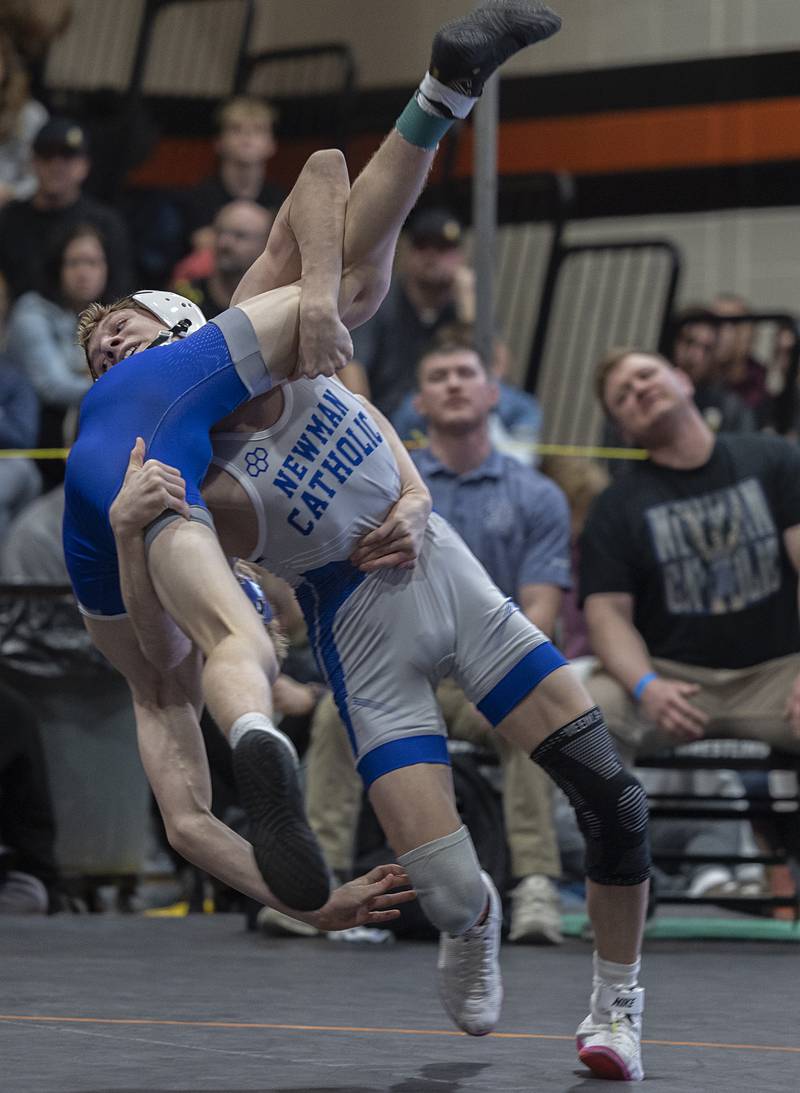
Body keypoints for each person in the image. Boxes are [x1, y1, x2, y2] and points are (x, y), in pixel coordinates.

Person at [98, 10, 652, 1083]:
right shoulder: (175, 470)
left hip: (441, 567)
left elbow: (317, 170)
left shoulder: (258, 319)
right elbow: (164, 634)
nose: (112, 351)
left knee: (611, 795)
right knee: (444, 886)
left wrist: (316, 313)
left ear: (180, 325)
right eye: (98, 357)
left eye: (126, 331)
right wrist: (132, 538)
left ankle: (615, 1001)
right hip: (361, 629)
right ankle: (471, 919)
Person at [301, 324, 570, 945]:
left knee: (533, 714)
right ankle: (322, 886)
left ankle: (536, 884)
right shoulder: (384, 486)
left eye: (465, 374)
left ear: (493, 393)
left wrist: (494, 679)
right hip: (400, 670)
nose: (453, 385)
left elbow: (540, 609)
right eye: (438, 377)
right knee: (332, 717)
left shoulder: (537, 495)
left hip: (487, 670)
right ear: (418, 403)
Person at [581, 347, 800, 770]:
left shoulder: (773, 458)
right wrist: (646, 686)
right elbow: (607, 616)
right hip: (670, 681)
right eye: (623, 395)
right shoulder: (613, 507)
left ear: (683, 381)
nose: (638, 389)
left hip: (776, 676)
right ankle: (613, 820)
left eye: (646, 375)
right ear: (622, 429)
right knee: (585, 714)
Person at [340, 206, 476, 416]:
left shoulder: (465, 305)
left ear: (461, 257)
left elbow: (494, 375)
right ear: (406, 252)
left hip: (447, 418)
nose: (431, 255)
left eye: (443, 247)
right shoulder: (379, 300)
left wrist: (469, 307)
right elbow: (351, 365)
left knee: (520, 410)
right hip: (390, 417)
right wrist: (367, 422)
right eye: (422, 245)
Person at [6, 222, 106, 487]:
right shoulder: (30, 313)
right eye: (74, 263)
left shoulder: (104, 314)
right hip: (31, 445)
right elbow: (52, 386)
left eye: (92, 263)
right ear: (57, 267)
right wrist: (112, 384)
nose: (84, 272)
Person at [0, 117, 135, 301]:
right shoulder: (10, 218)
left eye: (67, 156)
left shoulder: (105, 223)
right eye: (47, 155)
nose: (56, 165)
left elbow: (121, 290)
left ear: (85, 165)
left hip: (90, 316)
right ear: (33, 163)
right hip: (19, 315)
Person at [179, 96, 284, 267]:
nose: (247, 137)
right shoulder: (200, 196)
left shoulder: (280, 199)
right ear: (219, 142)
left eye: (258, 130)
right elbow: (204, 247)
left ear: (271, 145)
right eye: (236, 129)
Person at [173, 199, 275, 320]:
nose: (224, 243)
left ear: (266, 243)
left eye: (240, 235)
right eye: (219, 232)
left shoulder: (274, 305)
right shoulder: (185, 299)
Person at [669, 305, 755, 434]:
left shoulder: (731, 408)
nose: (695, 357)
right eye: (689, 342)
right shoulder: (647, 389)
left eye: (707, 349)